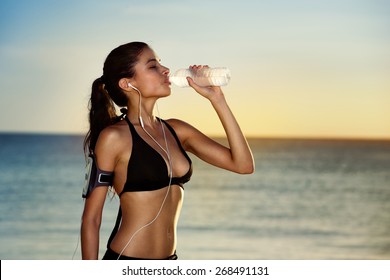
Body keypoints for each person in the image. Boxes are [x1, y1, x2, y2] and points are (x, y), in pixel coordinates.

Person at [81, 41, 254, 260]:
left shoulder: (177, 130)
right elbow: (91, 219)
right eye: (153, 66)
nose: (165, 70)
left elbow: (243, 165)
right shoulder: (113, 138)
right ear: (127, 83)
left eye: (161, 64)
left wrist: (217, 99)